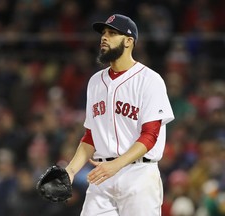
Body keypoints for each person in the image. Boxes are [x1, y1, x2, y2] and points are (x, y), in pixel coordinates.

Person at [65, 14, 175, 216]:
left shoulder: (150, 80)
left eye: (112, 33)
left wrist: (116, 165)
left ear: (129, 41)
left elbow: (150, 135)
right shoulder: (95, 82)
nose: (104, 37)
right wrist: (70, 171)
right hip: (102, 176)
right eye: (103, 33)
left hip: (139, 175)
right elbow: (90, 136)